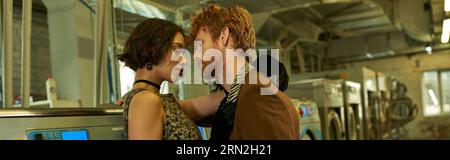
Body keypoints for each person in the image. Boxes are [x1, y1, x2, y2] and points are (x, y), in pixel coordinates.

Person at [180, 4, 299, 140]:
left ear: (223, 36)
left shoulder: (261, 97)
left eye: (200, 44)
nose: (195, 56)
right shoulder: (235, 97)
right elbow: (188, 109)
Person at [118, 18, 201, 140]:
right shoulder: (145, 100)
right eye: (176, 49)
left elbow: (215, 101)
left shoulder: (161, 100)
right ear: (148, 49)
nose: (184, 60)